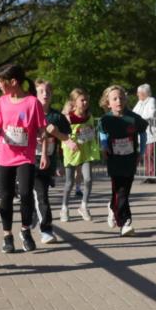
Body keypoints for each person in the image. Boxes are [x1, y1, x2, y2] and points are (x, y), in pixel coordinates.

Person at [0, 63, 47, 254]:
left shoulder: (33, 103)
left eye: (1, 82)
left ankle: (25, 230)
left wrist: (42, 145)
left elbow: (42, 128)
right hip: (4, 156)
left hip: (25, 157)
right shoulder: (2, 101)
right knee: (6, 196)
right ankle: (7, 236)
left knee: (25, 194)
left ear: (13, 82)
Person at [98, 85, 148, 236]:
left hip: (130, 158)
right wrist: (104, 146)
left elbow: (143, 134)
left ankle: (113, 207)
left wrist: (141, 152)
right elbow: (102, 133)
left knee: (124, 190)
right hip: (114, 158)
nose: (118, 101)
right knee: (119, 190)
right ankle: (125, 222)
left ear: (125, 100)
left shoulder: (133, 118)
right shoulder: (106, 119)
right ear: (108, 103)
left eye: (121, 98)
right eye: (114, 99)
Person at [33, 81, 71, 244]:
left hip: (48, 160)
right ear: (35, 94)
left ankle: (39, 220)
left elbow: (66, 138)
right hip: (28, 160)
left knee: (42, 194)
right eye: (41, 91)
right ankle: (45, 229)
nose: (45, 93)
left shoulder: (57, 117)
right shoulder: (28, 112)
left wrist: (56, 133)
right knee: (38, 195)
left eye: (48, 90)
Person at [61, 88, 99, 222]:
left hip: (86, 152)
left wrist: (90, 132)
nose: (85, 103)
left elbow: (91, 133)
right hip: (71, 152)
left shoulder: (89, 116)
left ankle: (84, 206)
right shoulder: (68, 117)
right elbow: (62, 136)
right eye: (82, 100)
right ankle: (64, 208)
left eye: (86, 100)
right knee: (69, 182)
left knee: (88, 179)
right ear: (74, 102)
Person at [133, 83, 156, 180]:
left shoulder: (151, 100)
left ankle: (153, 176)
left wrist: (139, 118)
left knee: (150, 154)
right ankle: (148, 175)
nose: (137, 94)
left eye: (139, 93)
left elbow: (151, 114)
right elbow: (133, 113)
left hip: (152, 133)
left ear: (144, 93)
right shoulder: (140, 102)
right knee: (145, 155)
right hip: (143, 133)